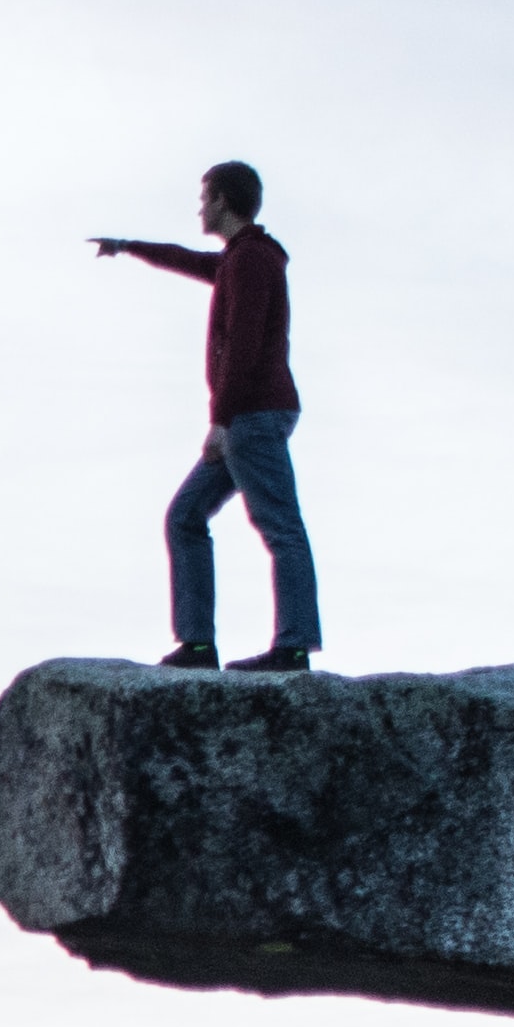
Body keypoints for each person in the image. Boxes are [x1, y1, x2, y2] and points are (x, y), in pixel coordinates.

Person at [90, 164, 320, 672]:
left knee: (280, 525)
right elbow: (189, 261)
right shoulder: (240, 260)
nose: (199, 207)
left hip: (252, 414)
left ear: (222, 199)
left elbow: (244, 344)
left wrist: (222, 418)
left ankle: (294, 646)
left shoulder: (253, 261)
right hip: (250, 414)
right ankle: (197, 646)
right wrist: (129, 246)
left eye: (204, 197)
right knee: (185, 516)